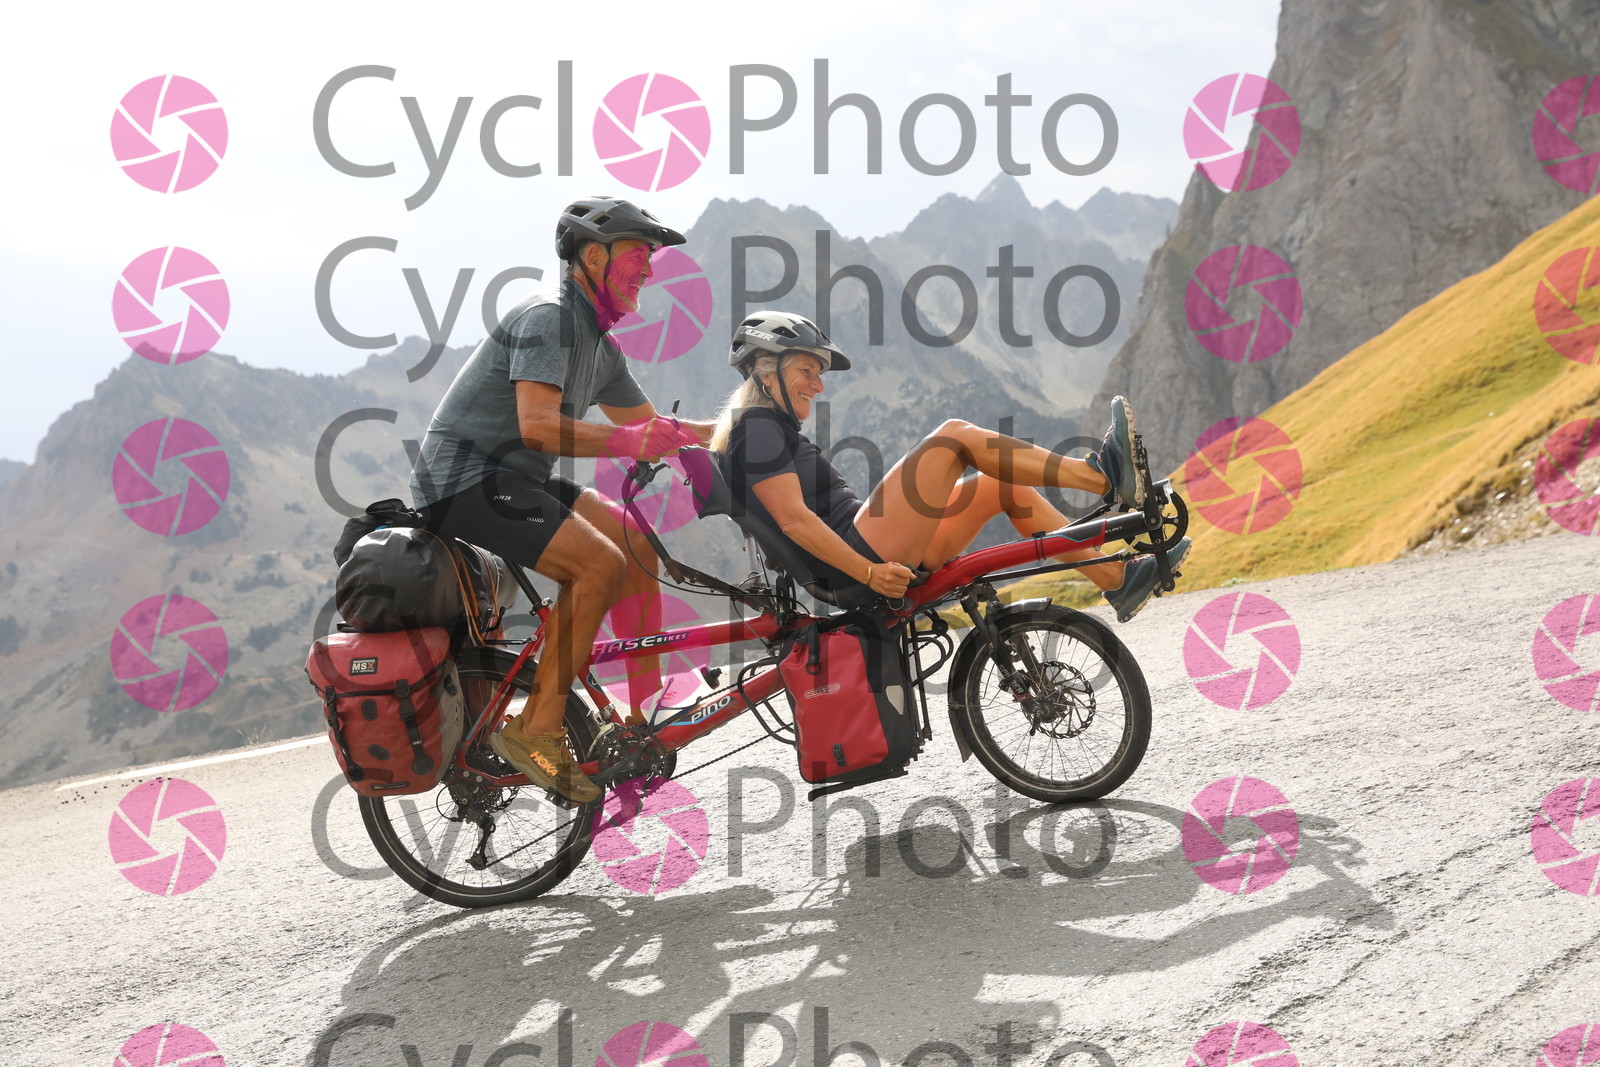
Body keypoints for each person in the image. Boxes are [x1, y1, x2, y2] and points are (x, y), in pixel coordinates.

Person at [408, 195, 709, 803]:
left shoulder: (600, 347)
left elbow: (655, 429)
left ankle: (642, 715)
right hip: (461, 480)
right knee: (598, 565)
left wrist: (743, 434)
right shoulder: (551, 317)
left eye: (651, 258)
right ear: (593, 257)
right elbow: (539, 426)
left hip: (514, 478)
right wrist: (627, 440)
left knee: (631, 540)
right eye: (638, 255)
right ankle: (535, 727)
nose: (649, 270)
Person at [711, 311, 1192, 618]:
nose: (818, 385)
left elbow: (719, 434)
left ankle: (1117, 580)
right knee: (954, 436)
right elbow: (794, 521)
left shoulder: (757, 427)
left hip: (871, 547)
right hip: (859, 561)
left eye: (818, 374)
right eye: (807, 371)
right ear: (765, 372)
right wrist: (869, 574)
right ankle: (1099, 477)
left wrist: (686, 432)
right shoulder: (757, 428)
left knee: (1002, 487)